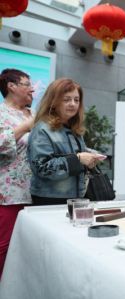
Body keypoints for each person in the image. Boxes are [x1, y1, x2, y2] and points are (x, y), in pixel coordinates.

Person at [27, 78, 100, 205]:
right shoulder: (42, 128)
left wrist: (90, 159)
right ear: (53, 101)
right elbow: (42, 168)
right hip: (49, 199)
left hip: (76, 196)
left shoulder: (74, 129)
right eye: (66, 99)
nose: (73, 104)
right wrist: (78, 159)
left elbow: (74, 156)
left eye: (76, 100)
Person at [0, 69, 35, 279]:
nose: (32, 88)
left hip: (37, 192)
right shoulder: (2, 113)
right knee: (4, 246)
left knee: (28, 246)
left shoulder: (33, 113)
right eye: (26, 84)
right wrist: (28, 126)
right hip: (10, 194)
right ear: (11, 86)